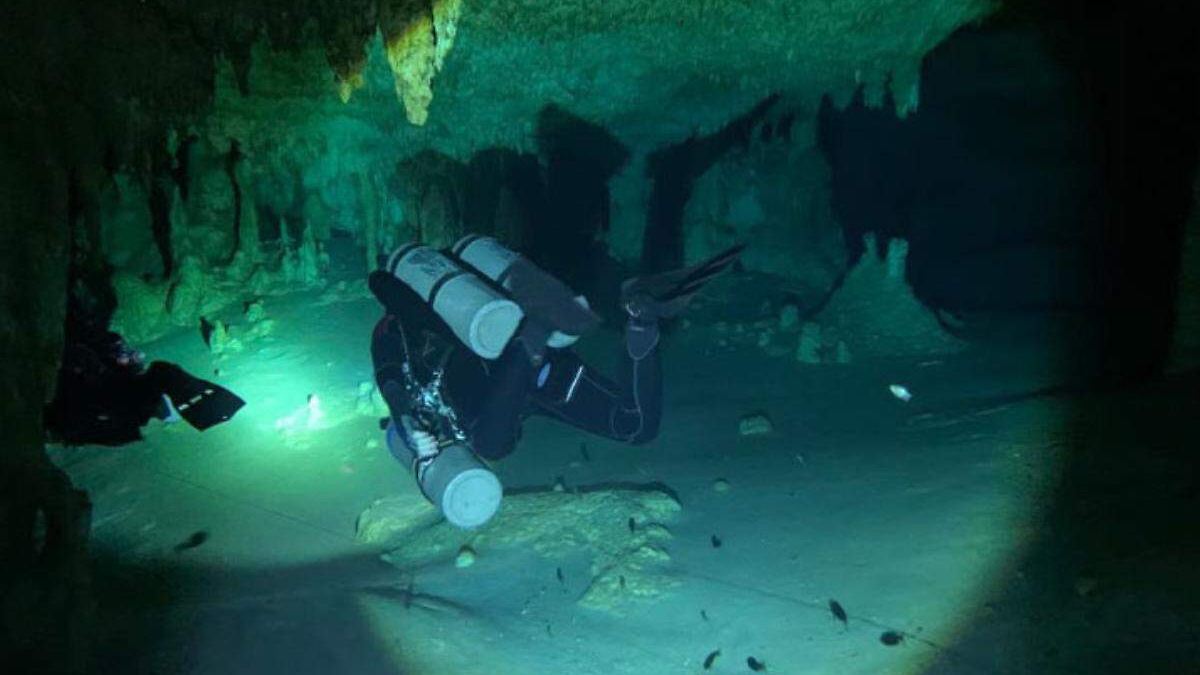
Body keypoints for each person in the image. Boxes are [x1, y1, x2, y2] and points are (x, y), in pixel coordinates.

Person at [369, 237, 742, 526]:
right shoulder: (431, 334)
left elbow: (391, 386)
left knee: (491, 442)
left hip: (488, 364)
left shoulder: (392, 332)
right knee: (635, 425)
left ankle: (533, 334)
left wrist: (407, 420)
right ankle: (640, 314)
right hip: (531, 375)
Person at [45, 328, 245, 446]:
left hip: (124, 400)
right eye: (121, 354)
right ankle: (205, 411)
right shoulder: (93, 388)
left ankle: (209, 410)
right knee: (162, 373)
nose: (132, 356)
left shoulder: (130, 379)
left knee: (163, 372)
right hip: (113, 406)